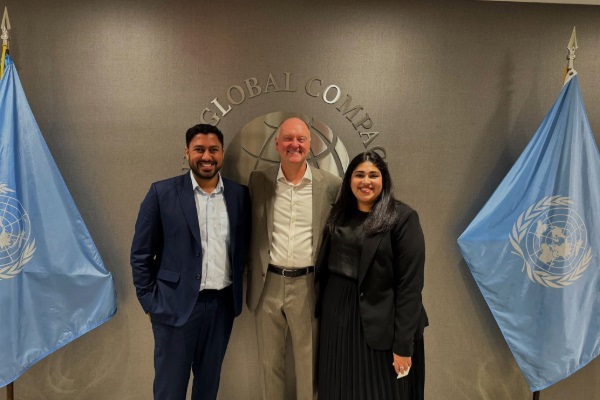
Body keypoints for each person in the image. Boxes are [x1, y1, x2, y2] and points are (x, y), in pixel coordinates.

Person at [130, 124, 250, 400]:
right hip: (174, 306)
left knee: (208, 389)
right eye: (199, 150)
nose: (206, 156)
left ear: (222, 154)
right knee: (169, 390)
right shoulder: (162, 193)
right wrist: (149, 302)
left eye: (213, 150)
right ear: (187, 153)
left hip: (221, 307)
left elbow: (242, 247)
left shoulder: (239, 195)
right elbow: (140, 254)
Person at [315, 150, 428, 400]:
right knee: (338, 388)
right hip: (338, 320)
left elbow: (410, 286)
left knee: (379, 392)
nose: (366, 181)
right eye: (359, 175)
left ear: (384, 180)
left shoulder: (403, 219)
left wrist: (403, 345)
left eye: (373, 175)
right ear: (349, 180)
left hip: (382, 325)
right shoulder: (339, 213)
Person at [246, 117, 342, 400]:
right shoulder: (259, 180)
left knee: (308, 365)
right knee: (269, 365)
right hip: (268, 284)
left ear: (310, 144)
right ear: (277, 144)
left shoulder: (331, 185)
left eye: (301, 139)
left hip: (308, 285)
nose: (294, 145)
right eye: (288, 138)